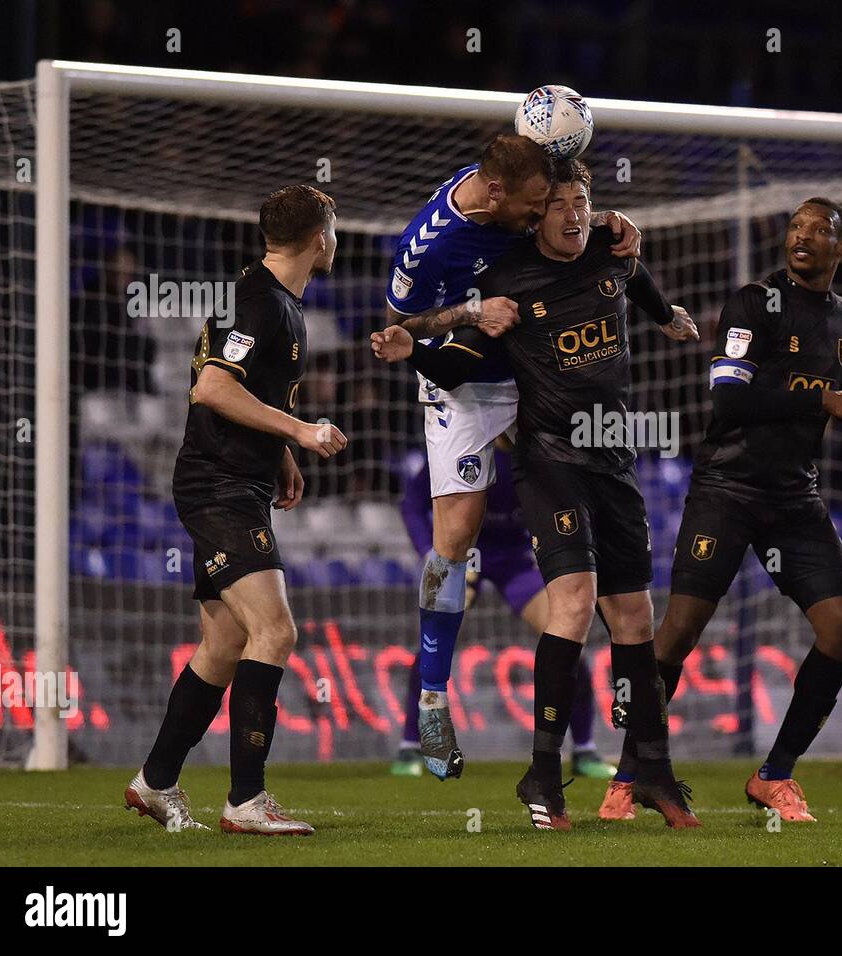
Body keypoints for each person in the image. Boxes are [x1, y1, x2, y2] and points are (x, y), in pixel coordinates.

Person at [602, 198, 842, 823]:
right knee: (679, 632)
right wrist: (823, 401)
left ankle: (774, 774)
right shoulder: (753, 302)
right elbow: (728, 397)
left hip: (794, 498)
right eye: (795, 227)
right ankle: (628, 774)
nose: (801, 236)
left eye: (818, 229)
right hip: (727, 489)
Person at [374, 160, 701, 829]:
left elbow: (634, 277)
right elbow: (416, 322)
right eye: (554, 203)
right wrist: (429, 335)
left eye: (583, 200)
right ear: (512, 198)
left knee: (623, 612)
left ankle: (624, 762)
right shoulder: (452, 244)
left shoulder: (605, 244)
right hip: (487, 397)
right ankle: (435, 704)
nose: (569, 212)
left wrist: (667, 317)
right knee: (461, 543)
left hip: (599, 450)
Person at [125, 185, 348, 835]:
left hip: (238, 482)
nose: (336, 241)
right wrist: (303, 431)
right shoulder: (260, 303)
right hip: (218, 488)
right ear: (318, 239)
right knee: (275, 633)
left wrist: (281, 452)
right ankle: (246, 801)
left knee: (223, 642)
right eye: (333, 230)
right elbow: (214, 387)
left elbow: (251, 390)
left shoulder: (275, 300)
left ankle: (155, 782)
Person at [392, 445, 616, 779]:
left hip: (516, 558)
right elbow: (412, 503)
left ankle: (584, 749)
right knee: (435, 639)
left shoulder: (538, 450)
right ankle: (410, 745)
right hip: (463, 555)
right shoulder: (464, 442)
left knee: (568, 635)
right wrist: (431, 552)